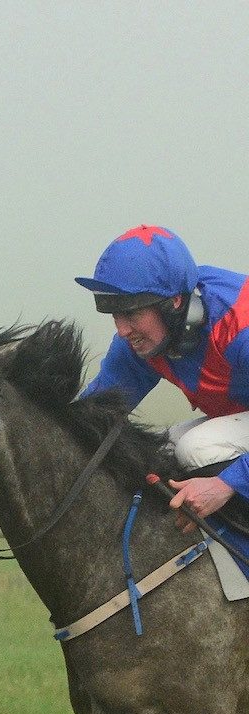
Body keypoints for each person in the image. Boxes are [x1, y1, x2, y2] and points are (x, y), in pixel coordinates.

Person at [76, 225, 249, 529]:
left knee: (198, 449)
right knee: (163, 450)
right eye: (115, 314)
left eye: (131, 313)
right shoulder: (142, 340)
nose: (122, 330)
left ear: (174, 303)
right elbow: (94, 413)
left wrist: (225, 485)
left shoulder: (240, 328)